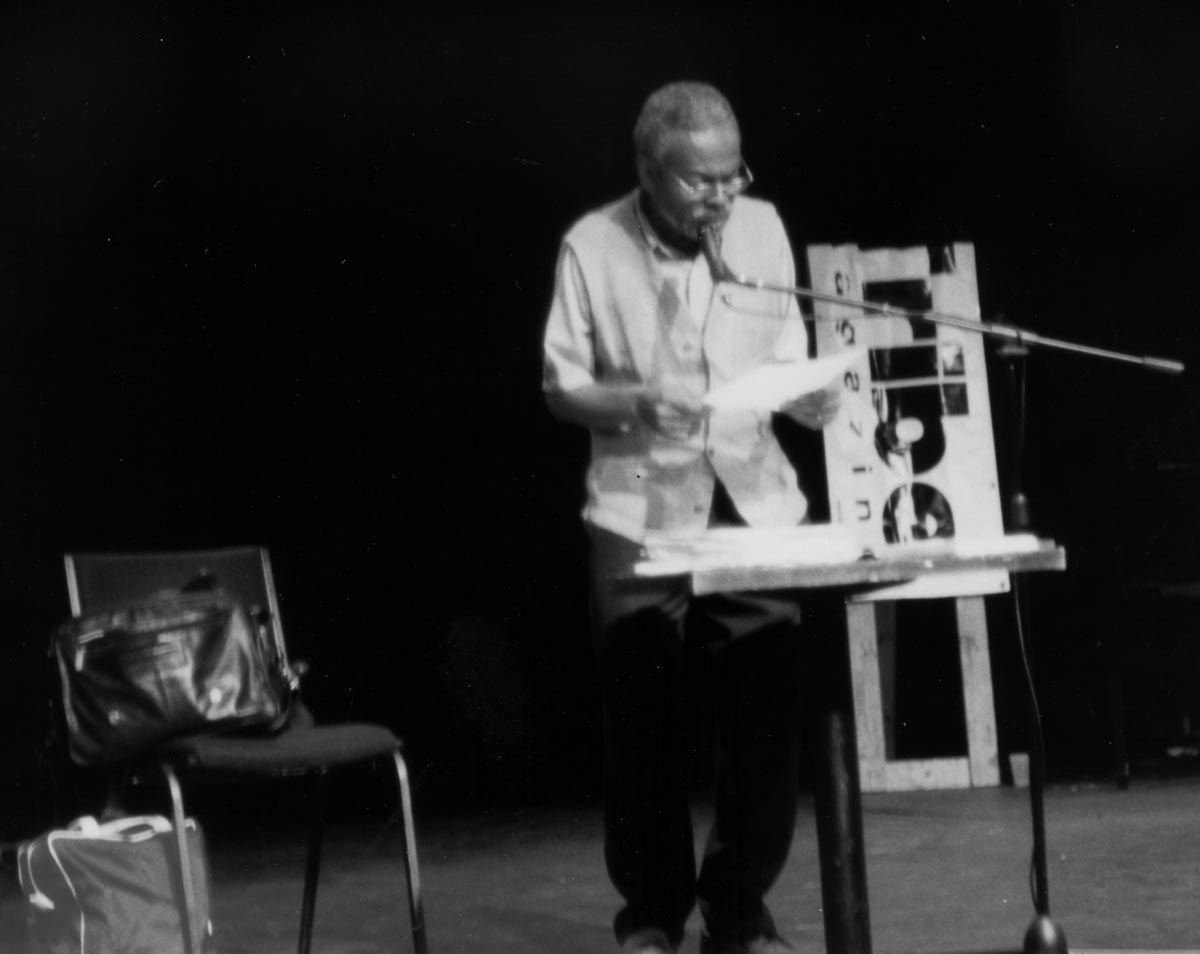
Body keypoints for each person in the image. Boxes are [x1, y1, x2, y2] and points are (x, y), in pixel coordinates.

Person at [541, 81, 840, 954]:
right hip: (641, 513)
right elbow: (561, 387)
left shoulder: (761, 227)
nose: (721, 195)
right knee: (643, 729)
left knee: (767, 722)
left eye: (731, 175)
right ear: (648, 172)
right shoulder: (591, 247)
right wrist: (635, 402)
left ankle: (739, 908)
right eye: (699, 182)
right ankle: (652, 916)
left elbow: (784, 349)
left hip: (753, 504)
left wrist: (808, 400)